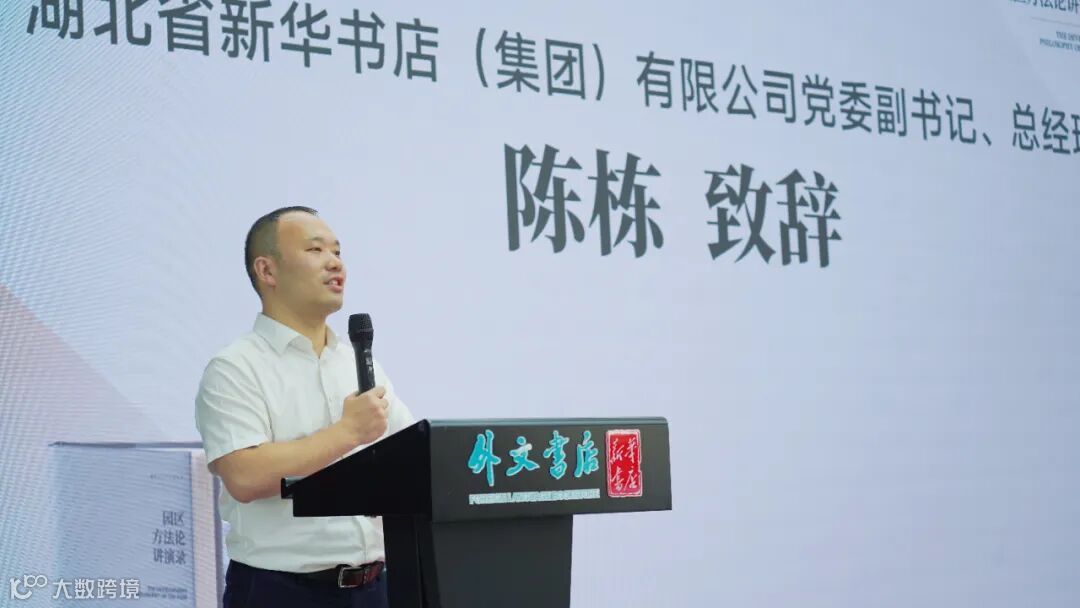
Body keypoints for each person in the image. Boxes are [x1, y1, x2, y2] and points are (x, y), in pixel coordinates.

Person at [194, 206, 414, 608]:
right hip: (281, 591)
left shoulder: (356, 361)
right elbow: (244, 476)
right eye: (315, 250)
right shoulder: (235, 367)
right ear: (267, 270)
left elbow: (412, 454)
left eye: (338, 252)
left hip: (375, 588)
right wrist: (347, 433)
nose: (335, 263)